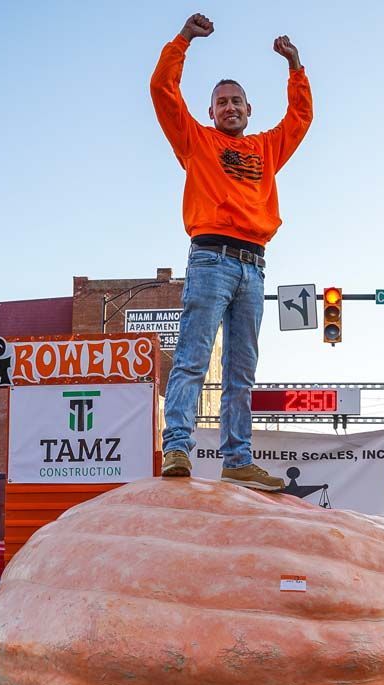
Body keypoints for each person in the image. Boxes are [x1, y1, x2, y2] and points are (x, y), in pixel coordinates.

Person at [150, 13, 313, 491]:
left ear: (249, 108)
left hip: (254, 265)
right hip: (210, 259)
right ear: (211, 111)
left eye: (236, 101)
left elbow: (300, 119)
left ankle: (237, 458)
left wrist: (296, 67)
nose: (229, 108)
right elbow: (162, 89)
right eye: (221, 102)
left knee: (242, 369)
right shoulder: (195, 140)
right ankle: (177, 447)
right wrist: (183, 40)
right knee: (192, 358)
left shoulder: (266, 148)